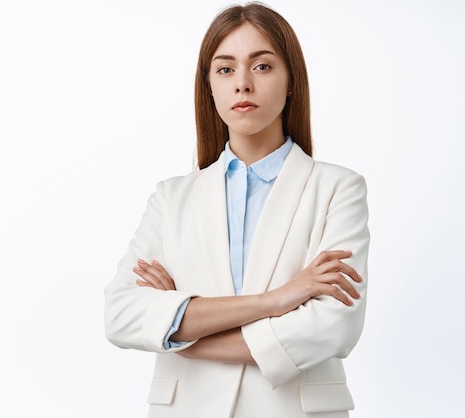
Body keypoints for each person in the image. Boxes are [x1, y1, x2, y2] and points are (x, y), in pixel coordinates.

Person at [104, 3, 369, 417]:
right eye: (225, 69)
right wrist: (279, 299)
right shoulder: (171, 198)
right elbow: (121, 315)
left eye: (262, 67)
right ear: (209, 86)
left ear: (291, 82)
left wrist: (183, 334)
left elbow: (333, 326)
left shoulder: (337, 189)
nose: (242, 84)